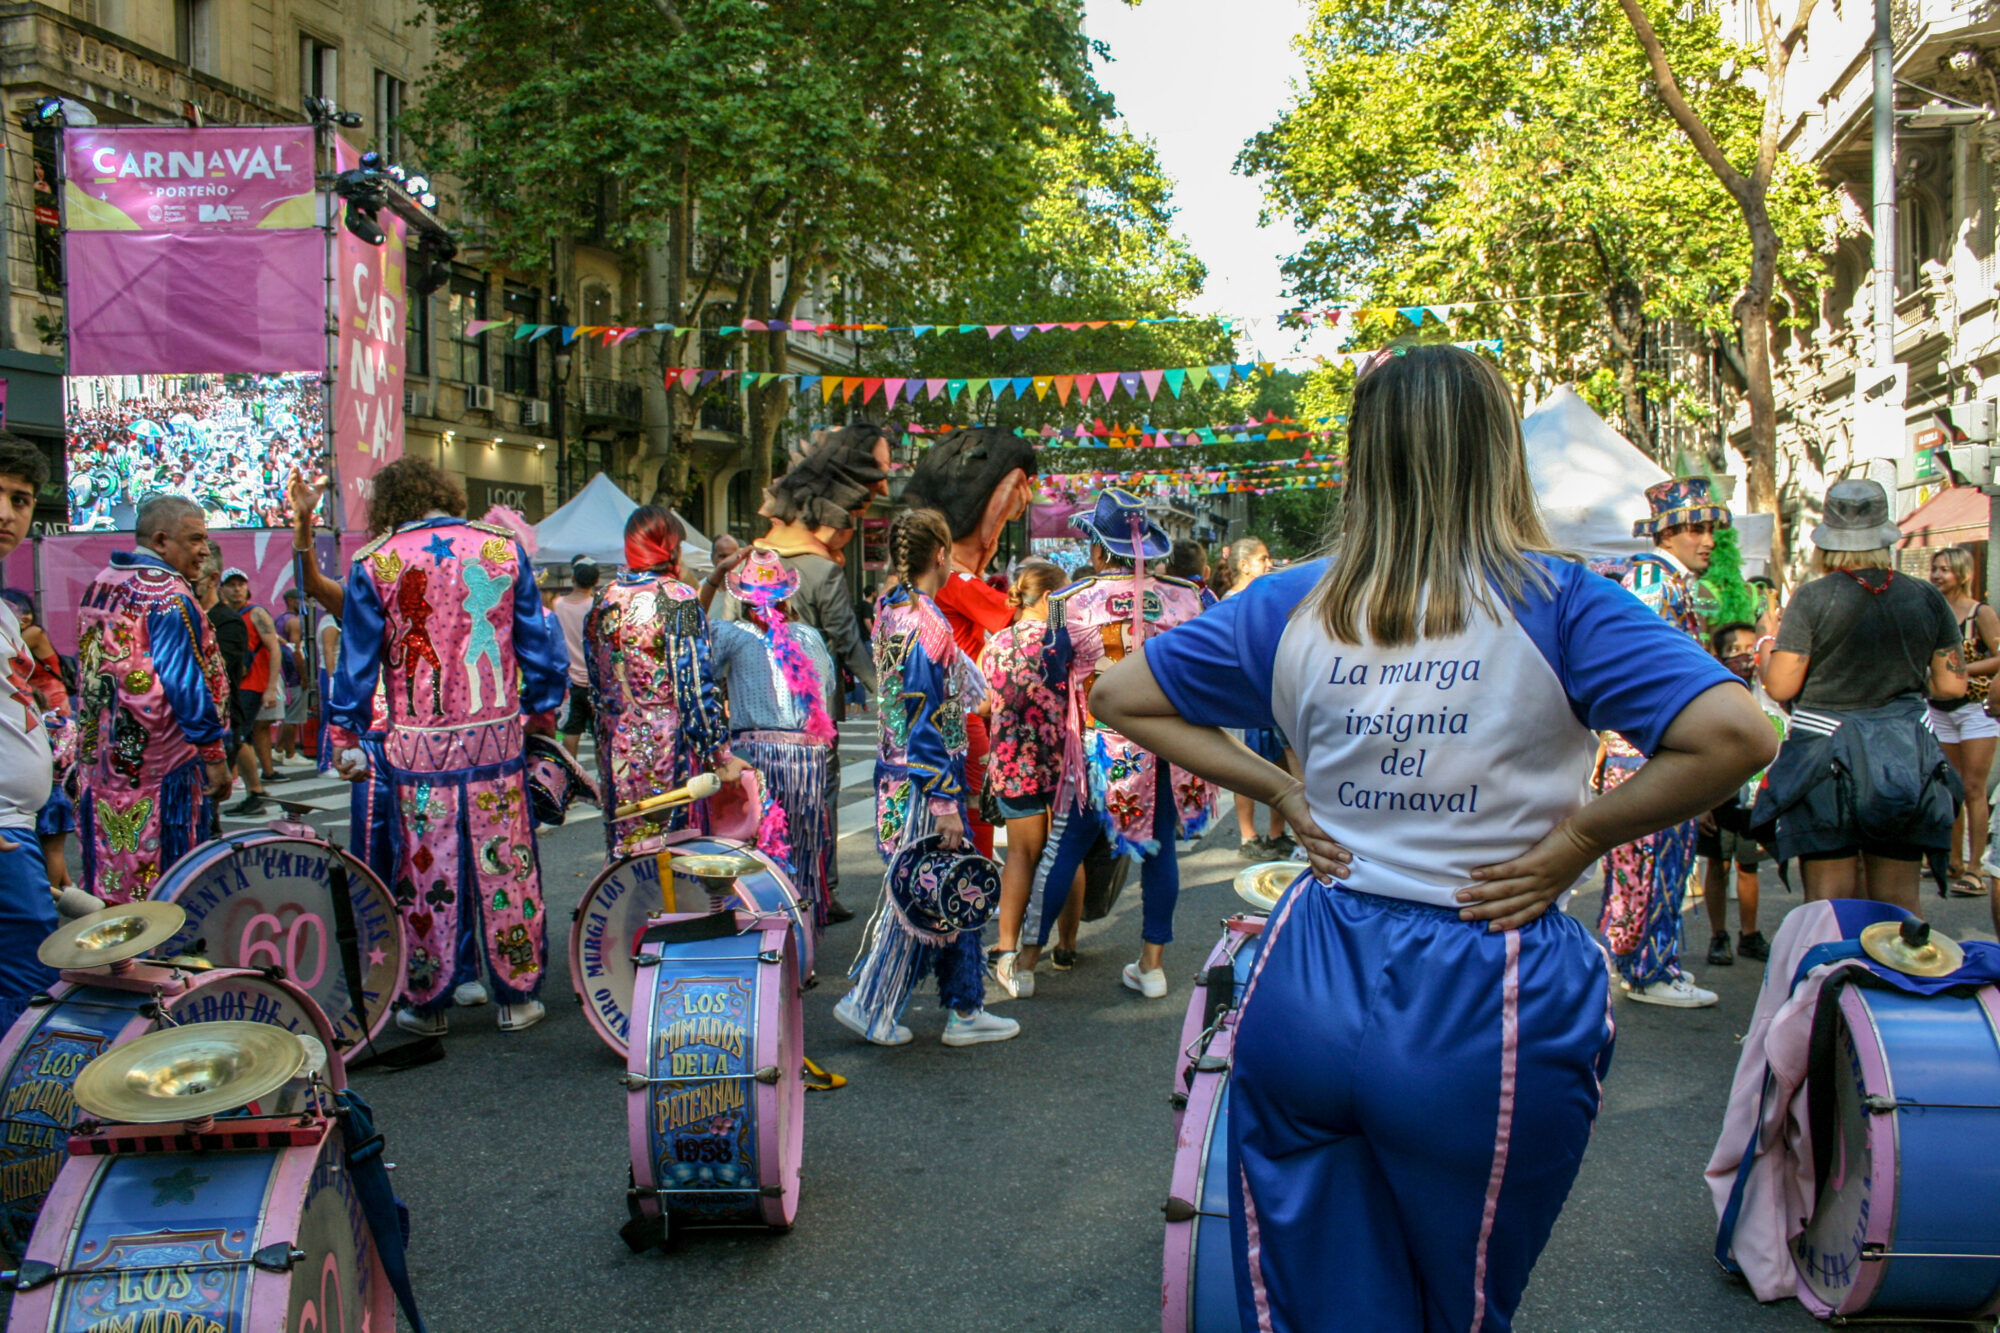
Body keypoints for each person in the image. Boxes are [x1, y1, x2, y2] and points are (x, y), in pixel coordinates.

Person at [1088, 342, 1774, 1333]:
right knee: (1456, 1304)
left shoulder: (1290, 598)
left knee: (1314, 1291)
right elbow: (1736, 734)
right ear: (1499, 452)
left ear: (1363, 458)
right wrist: (1575, 839)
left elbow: (1119, 693)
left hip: (1308, 976)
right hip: (1483, 987)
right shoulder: (1563, 599)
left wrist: (1279, 788)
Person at [325, 457, 569, 1035]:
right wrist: (542, 711)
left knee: (425, 869)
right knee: (504, 861)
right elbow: (539, 642)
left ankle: (427, 1002)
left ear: (390, 504)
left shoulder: (375, 561)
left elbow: (357, 661)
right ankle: (516, 995)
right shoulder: (500, 549)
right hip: (495, 740)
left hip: (417, 748)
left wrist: (344, 733)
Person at [1018, 489, 1216, 999]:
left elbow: (1051, 670)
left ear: (1100, 551)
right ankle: (1152, 965)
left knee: (1066, 849)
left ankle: (1025, 961)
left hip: (1101, 749)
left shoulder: (1068, 602)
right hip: (1173, 743)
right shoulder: (1191, 597)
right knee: (1160, 850)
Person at [834, 508, 1018, 1048]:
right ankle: (871, 1002)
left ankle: (965, 1007)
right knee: (920, 896)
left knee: (947, 887)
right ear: (940, 554)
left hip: (898, 774)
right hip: (923, 782)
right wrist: (943, 798)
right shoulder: (924, 622)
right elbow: (923, 715)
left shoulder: (891, 609)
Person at [1756, 477, 1966, 916]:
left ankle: (1833, 982)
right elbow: (1952, 686)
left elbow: (1781, 687)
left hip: (1825, 764)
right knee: (1899, 906)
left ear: (1827, 541)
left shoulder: (1813, 598)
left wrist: (1763, 645)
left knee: (1830, 907)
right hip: (1904, 761)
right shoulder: (1926, 596)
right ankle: (1895, 983)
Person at [706, 427, 888, 922]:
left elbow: (716, 636)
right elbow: (847, 644)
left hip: (750, 720)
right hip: (809, 723)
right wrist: (882, 693)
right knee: (814, 812)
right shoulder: (824, 574)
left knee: (758, 815)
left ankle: (760, 901)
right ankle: (818, 895)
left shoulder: (748, 563)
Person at [1596, 476, 1730, 1008]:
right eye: (1694, 528)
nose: (1708, 541)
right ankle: (1648, 969)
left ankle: (1648, 962)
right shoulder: (1654, 577)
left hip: (1650, 748)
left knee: (1654, 863)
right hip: (1650, 751)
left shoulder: (1665, 578)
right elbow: (1643, 668)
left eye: (1709, 530)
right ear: (1667, 532)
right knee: (1649, 863)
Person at [76, 493, 234, 903]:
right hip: (162, 770)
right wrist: (214, 756)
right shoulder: (167, 594)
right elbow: (185, 682)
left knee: (113, 867)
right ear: (162, 541)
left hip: (104, 764)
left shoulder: (102, 582)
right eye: (196, 539)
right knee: (166, 875)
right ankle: (159, 955)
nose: (204, 551)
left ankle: (115, 948)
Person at [899, 425, 1039, 860]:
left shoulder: (893, 602)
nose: (1027, 502)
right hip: (963, 715)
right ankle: (974, 882)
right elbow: (1021, 617)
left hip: (912, 728)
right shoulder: (958, 582)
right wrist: (1050, 594)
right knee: (976, 806)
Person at [589, 507, 746, 857]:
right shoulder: (678, 599)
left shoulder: (605, 598)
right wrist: (718, 754)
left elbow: (595, 683)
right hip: (667, 746)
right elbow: (695, 687)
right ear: (669, 546)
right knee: (674, 849)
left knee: (627, 846)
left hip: (616, 745)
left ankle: (629, 911)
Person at [709, 548, 837, 925]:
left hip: (755, 757)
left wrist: (715, 578)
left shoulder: (733, 634)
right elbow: (824, 689)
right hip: (807, 758)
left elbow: (689, 635)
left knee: (760, 847)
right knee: (804, 848)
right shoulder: (809, 636)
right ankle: (804, 936)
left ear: (745, 601)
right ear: (787, 596)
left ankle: (764, 927)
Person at [984, 560, 1082, 997]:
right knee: (1066, 852)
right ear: (1048, 599)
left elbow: (985, 704)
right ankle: (1065, 945)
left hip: (1013, 760)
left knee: (1021, 855)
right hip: (1064, 760)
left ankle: (1007, 950)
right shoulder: (1065, 641)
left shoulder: (995, 644)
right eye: (1062, 598)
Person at [0, 437, 60, 1030]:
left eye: (19, 500)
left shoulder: (3, 610)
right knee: (26, 990)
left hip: (19, 829)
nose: (6, 514)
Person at [1926, 545, 2000, 896]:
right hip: (1939, 707)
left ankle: (1976, 869)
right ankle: (1951, 860)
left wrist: (1960, 670)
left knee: (1973, 788)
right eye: (1934, 568)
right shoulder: (1931, 611)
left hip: (1975, 707)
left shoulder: (1979, 613)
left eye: (1945, 569)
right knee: (1949, 786)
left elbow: (1999, 657)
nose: (1938, 575)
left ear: (1962, 574)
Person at [1699, 622, 1770, 964]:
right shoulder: (1713, 694)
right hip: (1719, 794)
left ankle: (1750, 934)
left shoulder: (1767, 692)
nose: (1745, 657)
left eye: (1750, 649)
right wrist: (1702, 802)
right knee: (1717, 864)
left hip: (1755, 799)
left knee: (1748, 866)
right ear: (1718, 656)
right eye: (1734, 650)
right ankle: (1719, 935)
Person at [216, 568, 284, 814]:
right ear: (221, 588)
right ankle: (253, 791)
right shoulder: (224, 616)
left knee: (238, 737)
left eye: (240, 584)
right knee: (239, 738)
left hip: (252, 685)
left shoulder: (255, 613)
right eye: (231, 584)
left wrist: (270, 688)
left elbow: (274, 649)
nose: (237, 589)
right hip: (234, 687)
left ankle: (253, 791)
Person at [552, 557, 598, 759]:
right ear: (595, 582)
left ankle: (572, 779)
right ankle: (605, 781)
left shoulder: (558, 604)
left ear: (572, 578)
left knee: (571, 731)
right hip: (596, 682)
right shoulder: (596, 606)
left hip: (569, 681)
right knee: (600, 734)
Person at [275, 587, 307, 763]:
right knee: (294, 716)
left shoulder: (279, 620)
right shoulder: (294, 621)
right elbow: (296, 652)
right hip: (293, 673)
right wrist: (303, 676)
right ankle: (290, 752)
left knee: (290, 714)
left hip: (283, 672)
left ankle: (280, 749)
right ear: (292, 600)